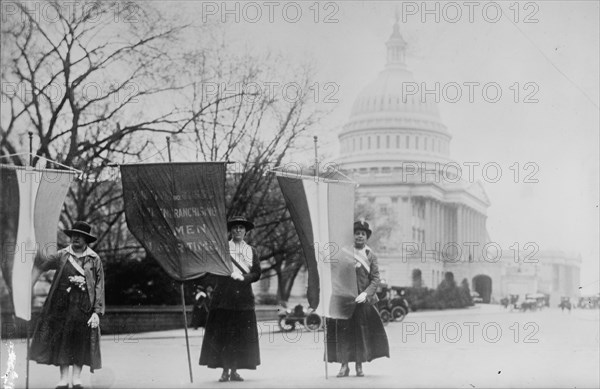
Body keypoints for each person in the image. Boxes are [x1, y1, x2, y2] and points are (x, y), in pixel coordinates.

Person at [29, 221, 105, 389]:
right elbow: (42, 264)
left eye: (80, 236)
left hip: (83, 307)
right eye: (73, 235)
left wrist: (97, 312)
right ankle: (63, 379)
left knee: (79, 341)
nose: (76, 238)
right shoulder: (62, 255)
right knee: (63, 341)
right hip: (61, 306)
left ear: (86, 239)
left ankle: (76, 379)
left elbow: (99, 286)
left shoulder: (94, 259)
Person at [199, 216, 261, 382]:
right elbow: (212, 271)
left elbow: (257, 273)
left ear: (246, 232)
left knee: (240, 337)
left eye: (241, 228)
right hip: (224, 298)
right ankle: (225, 371)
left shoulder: (252, 251)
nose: (238, 231)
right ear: (230, 231)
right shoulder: (222, 250)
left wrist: (245, 278)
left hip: (244, 300)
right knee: (225, 336)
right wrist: (227, 275)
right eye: (235, 228)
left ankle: (234, 370)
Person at [326, 220, 390, 377]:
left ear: (366, 237)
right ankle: (344, 365)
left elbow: (375, 278)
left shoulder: (370, 255)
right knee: (343, 332)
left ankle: (359, 366)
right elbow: (335, 272)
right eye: (357, 233)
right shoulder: (343, 252)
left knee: (361, 332)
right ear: (353, 236)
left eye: (362, 234)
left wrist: (366, 294)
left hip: (362, 301)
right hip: (344, 300)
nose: (359, 236)